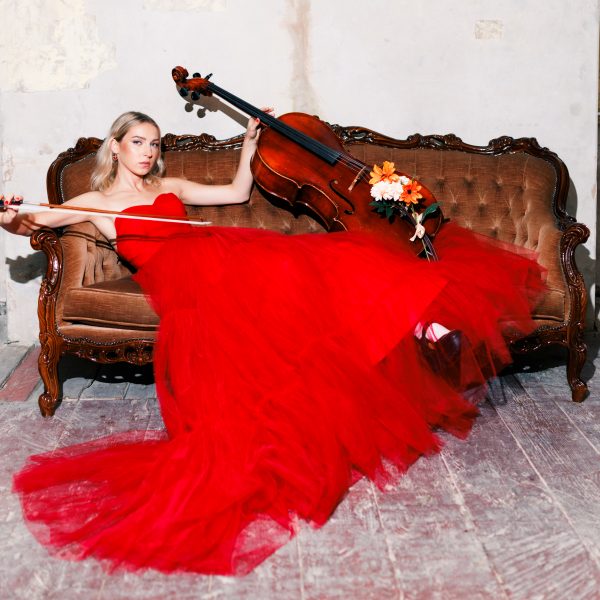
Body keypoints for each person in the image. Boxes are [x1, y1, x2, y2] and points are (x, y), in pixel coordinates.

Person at [2, 111, 545, 575]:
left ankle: (423, 321)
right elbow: (33, 222)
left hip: (221, 250)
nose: (148, 153)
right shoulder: (96, 201)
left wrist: (249, 146)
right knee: (292, 279)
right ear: (116, 146)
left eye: (155, 144)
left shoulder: (172, 187)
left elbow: (237, 193)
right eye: (138, 142)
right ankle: (415, 324)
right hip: (180, 274)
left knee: (327, 262)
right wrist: (8, 215)